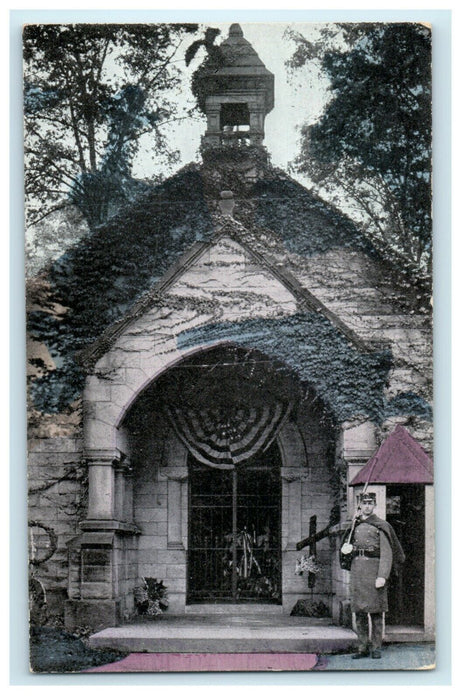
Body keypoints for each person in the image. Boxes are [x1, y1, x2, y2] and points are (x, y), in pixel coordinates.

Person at [341, 492, 405, 659]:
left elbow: (387, 553)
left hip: (374, 570)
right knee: (360, 612)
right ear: (359, 505)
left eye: (370, 503)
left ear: (374, 505)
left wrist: (382, 575)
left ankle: (376, 647)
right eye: (364, 503)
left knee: (376, 612)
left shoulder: (380, 525)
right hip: (357, 570)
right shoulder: (355, 525)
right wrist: (346, 550)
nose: (367, 506)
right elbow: (346, 547)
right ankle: (362, 646)